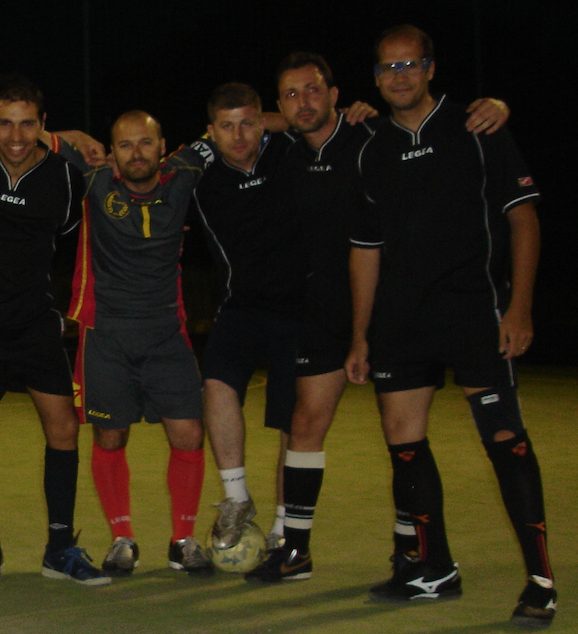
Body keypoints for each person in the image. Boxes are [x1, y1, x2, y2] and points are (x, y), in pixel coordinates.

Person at [246, 52, 509, 583]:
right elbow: (254, 123)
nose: (304, 102)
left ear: (335, 94)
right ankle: (295, 550)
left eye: (313, 90)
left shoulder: (370, 137)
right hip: (323, 311)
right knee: (305, 422)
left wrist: (497, 106)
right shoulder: (287, 155)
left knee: (401, 435)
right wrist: (272, 117)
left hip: (390, 308)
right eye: (292, 94)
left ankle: (410, 548)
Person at [347, 25, 554, 627]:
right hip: (401, 321)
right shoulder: (370, 147)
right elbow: (366, 249)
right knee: (403, 441)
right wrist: (360, 334)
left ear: (431, 68)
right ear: (376, 77)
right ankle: (434, 568)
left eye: (411, 64)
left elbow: (524, 219)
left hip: (474, 313)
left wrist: (519, 308)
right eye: (388, 67)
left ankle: (541, 581)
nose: (400, 76)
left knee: (504, 440)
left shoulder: (478, 127)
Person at [0, 75, 107, 586]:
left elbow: (73, 239)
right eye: (5, 124)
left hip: (35, 320)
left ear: (43, 125)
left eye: (26, 124)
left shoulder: (64, 179)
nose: (16, 136)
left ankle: (60, 546)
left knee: (63, 428)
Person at [60, 111, 214, 577]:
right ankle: (122, 539)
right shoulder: (95, 180)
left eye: (145, 142)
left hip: (167, 332)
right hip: (107, 335)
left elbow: (242, 123)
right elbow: (34, 135)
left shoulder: (184, 172)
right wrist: (79, 136)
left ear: (163, 146)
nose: (136, 153)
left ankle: (183, 540)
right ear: (111, 153)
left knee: (189, 434)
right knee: (110, 435)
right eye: (125, 145)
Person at [192, 83, 303, 552]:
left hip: (300, 310)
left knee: (294, 422)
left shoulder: (290, 150)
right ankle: (236, 498)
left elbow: (312, 118)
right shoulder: (199, 175)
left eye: (247, 124)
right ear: (211, 131)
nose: (238, 136)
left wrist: (278, 121)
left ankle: (284, 526)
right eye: (226, 126)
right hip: (240, 307)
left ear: (263, 122)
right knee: (216, 386)